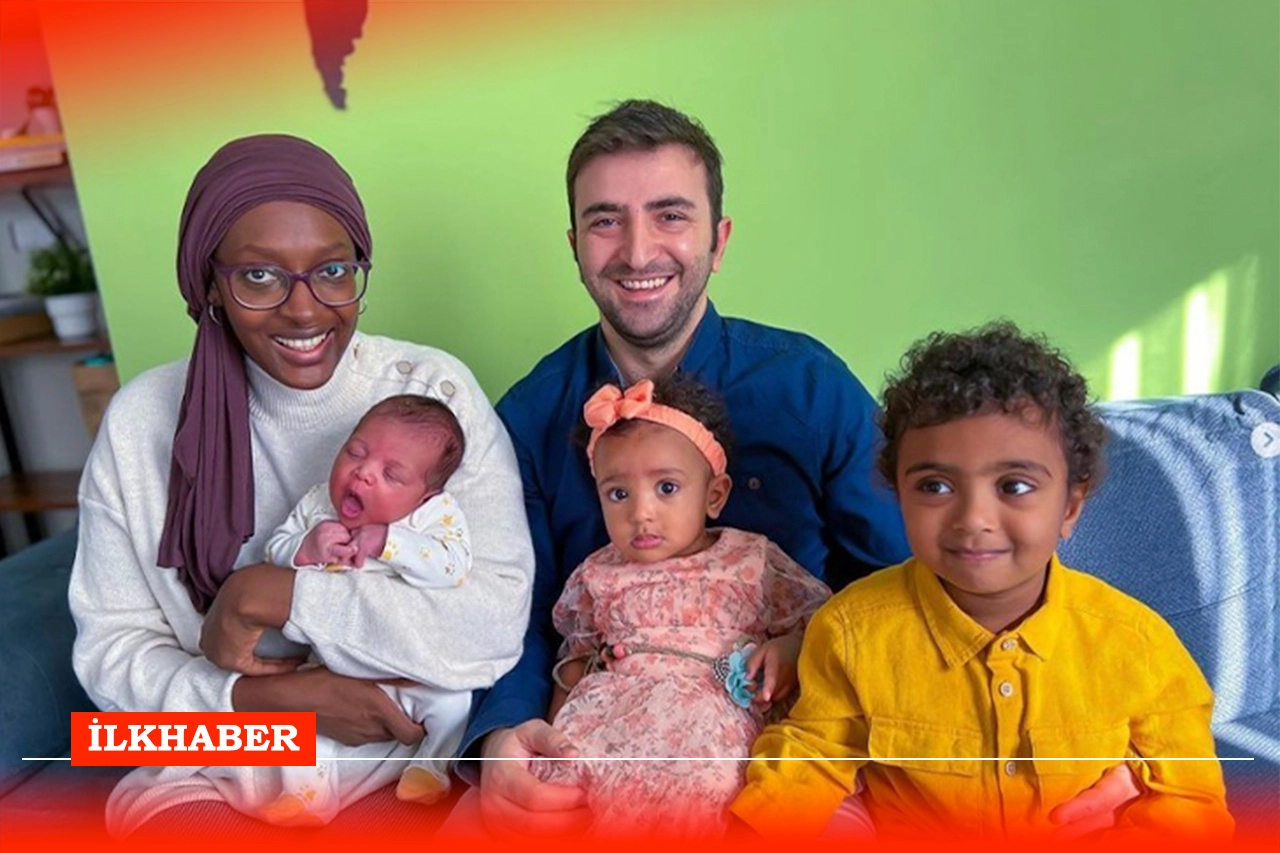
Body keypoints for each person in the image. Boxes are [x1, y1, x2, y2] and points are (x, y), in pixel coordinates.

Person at [460, 99, 1142, 838]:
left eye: (670, 215)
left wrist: (1078, 734)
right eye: (605, 221)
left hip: (799, 753)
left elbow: (929, 574)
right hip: (600, 751)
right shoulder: (526, 415)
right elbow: (511, 614)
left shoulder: (809, 387)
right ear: (574, 245)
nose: (637, 249)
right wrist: (499, 743)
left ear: (719, 239)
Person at [68, 134, 533, 836]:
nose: (305, 310)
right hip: (215, 769)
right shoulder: (141, 425)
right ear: (209, 283)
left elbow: (492, 630)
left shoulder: (432, 398)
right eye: (259, 276)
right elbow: (113, 688)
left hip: (409, 763)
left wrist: (280, 594)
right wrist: (277, 707)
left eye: (333, 271)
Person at [732, 322, 1234, 840]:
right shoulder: (849, 633)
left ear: (1070, 506)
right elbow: (808, 762)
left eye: (1014, 486)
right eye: (935, 486)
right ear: (899, 496)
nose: (973, 518)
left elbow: (1190, 801)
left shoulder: (1138, 646)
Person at [531, 374, 830, 836]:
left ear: (714, 495)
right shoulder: (597, 572)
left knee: (704, 783)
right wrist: (553, 730)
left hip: (708, 720)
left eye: (667, 488)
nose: (641, 513)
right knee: (561, 783)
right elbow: (575, 660)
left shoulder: (750, 560)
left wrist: (791, 649)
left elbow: (826, 626)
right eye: (618, 494)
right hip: (608, 716)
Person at [261, 394, 474, 824]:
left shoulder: (434, 516)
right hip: (332, 668)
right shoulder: (318, 505)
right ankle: (307, 797)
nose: (363, 472)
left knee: (457, 701)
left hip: (413, 667)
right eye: (355, 452)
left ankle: (430, 768)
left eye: (391, 474)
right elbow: (273, 550)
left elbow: (453, 566)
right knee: (300, 725)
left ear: (425, 494)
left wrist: (389, 543)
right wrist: (305, 548)